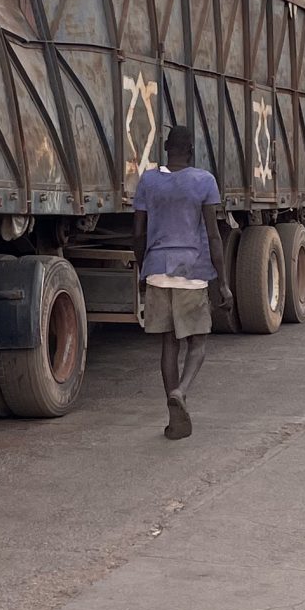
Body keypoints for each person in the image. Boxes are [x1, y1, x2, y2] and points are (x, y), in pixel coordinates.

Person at [131, 124, 228, 440]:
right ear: (190, 151)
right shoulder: (204, 181)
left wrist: (143, 269)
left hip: (157, 269)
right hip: (192, 271)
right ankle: (181, 392)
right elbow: (213, 236)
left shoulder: (149, 181)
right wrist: (223, 284)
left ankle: (173, 418)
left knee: (168, 343)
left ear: (166, 150)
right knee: (197, 342)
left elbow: (138, 233)